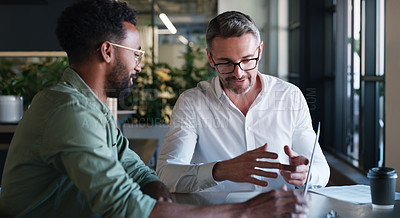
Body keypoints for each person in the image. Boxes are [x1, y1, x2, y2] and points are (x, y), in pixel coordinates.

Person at [0, 1, 309, 217]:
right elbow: (127, 208)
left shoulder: (87, 105)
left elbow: (131, 164)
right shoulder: (70, 112)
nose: (139, 64)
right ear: (107, 52)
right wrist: (245, 212)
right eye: (136, 53)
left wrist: (154, 185)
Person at [156, 11, 330, 193]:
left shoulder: (290, 96)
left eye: (247, 60)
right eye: (225, 63)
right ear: (210, 58)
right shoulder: (192, 103)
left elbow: (322, 171)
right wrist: (220, 170)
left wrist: (305, 174)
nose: (238, 73)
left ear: (260, 51)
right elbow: (166, 175)